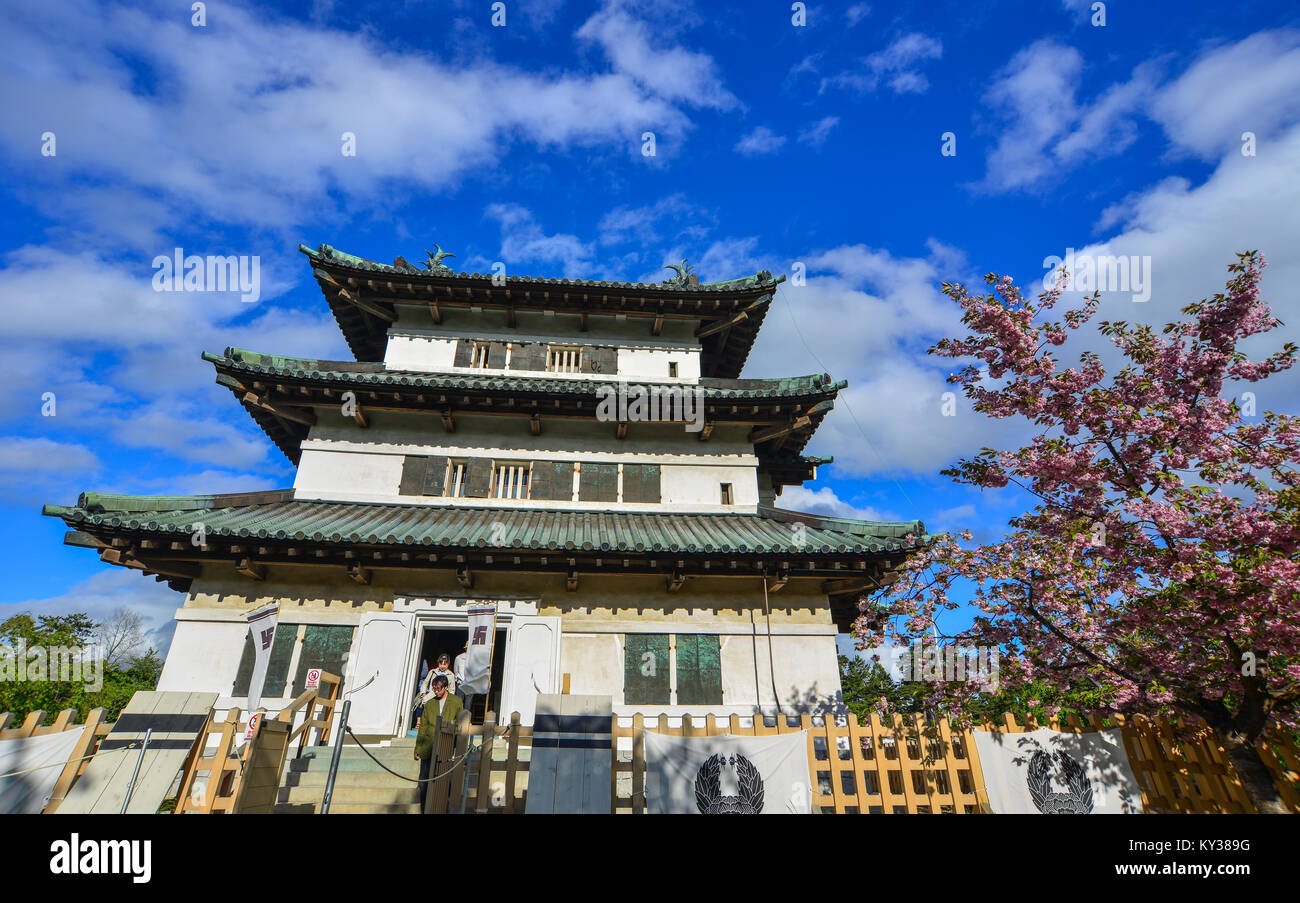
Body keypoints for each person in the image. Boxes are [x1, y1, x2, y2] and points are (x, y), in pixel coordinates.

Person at [414, 674, 463, 813]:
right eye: (434, 689)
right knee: (424, 781)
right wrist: (418, 748)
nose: (436, 692)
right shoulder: (430, 703)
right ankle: (424, 809)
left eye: (438, 689)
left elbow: (460, 723)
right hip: (428, 744)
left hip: (445, 745)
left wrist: (457, 745)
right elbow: (423, 726)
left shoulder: (456, 701)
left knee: (443, 780)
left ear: (446, 687)